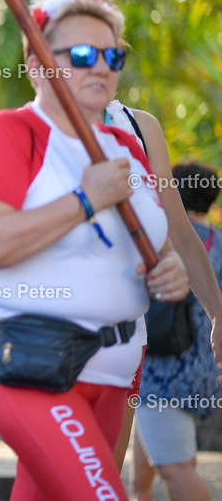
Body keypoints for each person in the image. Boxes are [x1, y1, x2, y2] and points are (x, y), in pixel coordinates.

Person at [0, 0, 189, 499]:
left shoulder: (128, 144)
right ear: (39, 65)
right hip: (30, 360)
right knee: (101, 494)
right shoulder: (8, 134)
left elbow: (154, 241)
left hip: (116, 366)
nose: (100, 67)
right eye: (81, 56)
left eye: (112, 56)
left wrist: (170, 267)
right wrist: (85, 199)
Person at [131, 162, 222, 501]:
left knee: (176, 468)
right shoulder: (217, 241)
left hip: (163, 369)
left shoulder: (166, 238)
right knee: (155, 464)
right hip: (205, 369)